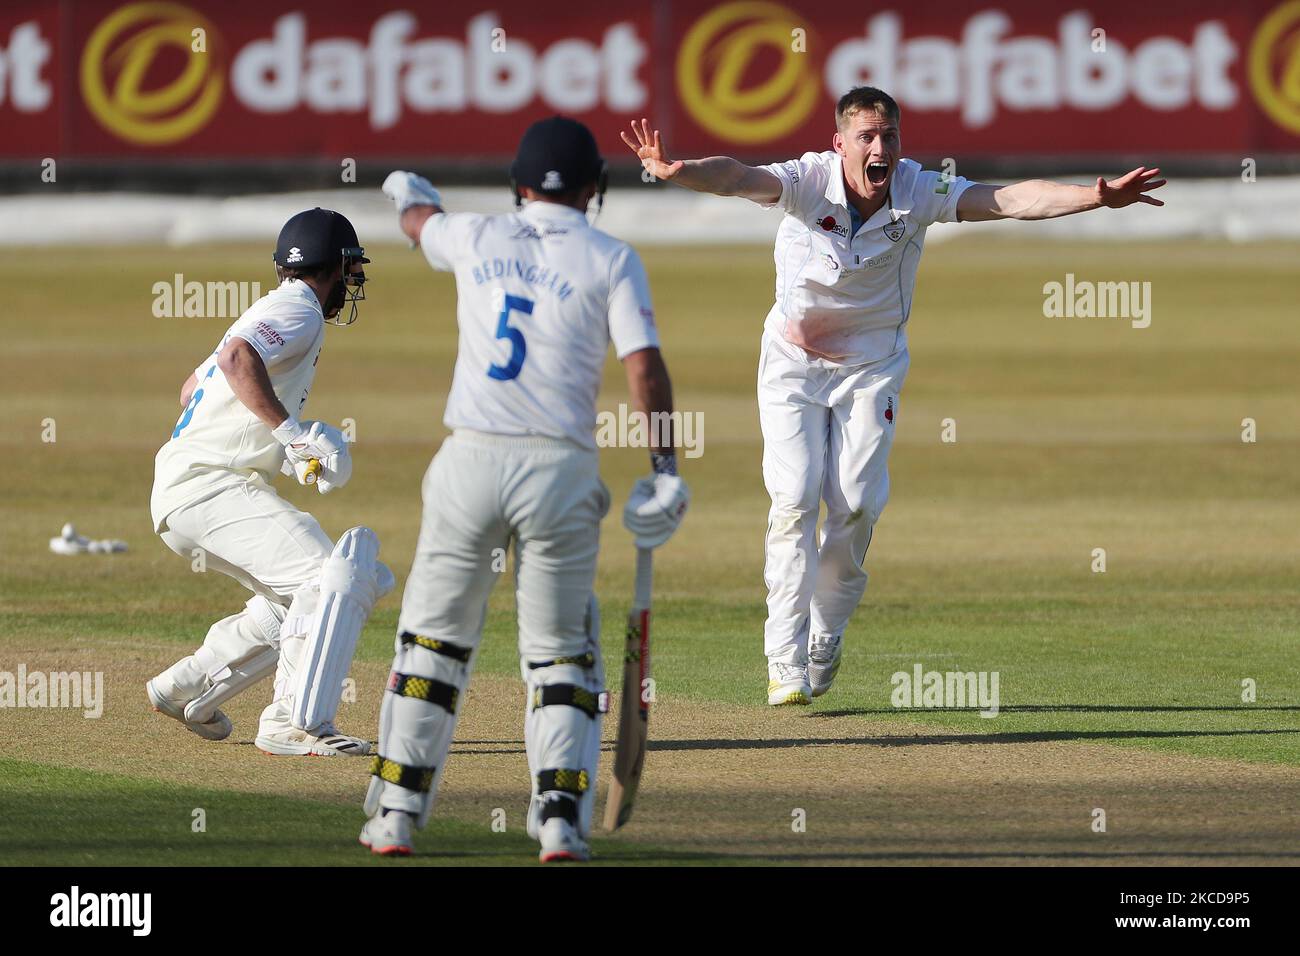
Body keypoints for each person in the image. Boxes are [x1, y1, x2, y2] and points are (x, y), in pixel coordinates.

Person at [621, 86, 1165, 706]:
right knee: (795, 499)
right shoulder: (806, 180)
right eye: (867, 137)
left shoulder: (916, 190)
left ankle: (825, 633)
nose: (881, 149)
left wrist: (1096, 195)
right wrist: (679, 171)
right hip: (793, 365)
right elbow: (738, 175)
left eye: (890, 137)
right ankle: (783, 659)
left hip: (871, 368)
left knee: (853, 504)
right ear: (840, 143)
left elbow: (1010, 199)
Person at [360, 116, 688, 862]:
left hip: (469, 461)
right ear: (593, 189)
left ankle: (396, 817)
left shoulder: (475, 235)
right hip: (558, 470)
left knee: (433, 648)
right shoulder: (612, 256)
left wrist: (406, 195)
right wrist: (665, 470)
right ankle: (558, 824)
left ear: (516, 185)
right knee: (559, 660)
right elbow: (644, 368)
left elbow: (421, 224)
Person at [146, 208, 393, 756]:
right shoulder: (299, 310)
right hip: (209, 485)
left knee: (293, 603)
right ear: (334, 267)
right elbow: (237, 359)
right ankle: (290, 724)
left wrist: (284, 452)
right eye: (351, 271)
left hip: (189, 487)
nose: (351, 286)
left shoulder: (271, 309)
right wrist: (292, 435)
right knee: (330, 578)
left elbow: (193, 390)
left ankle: (186, 685)